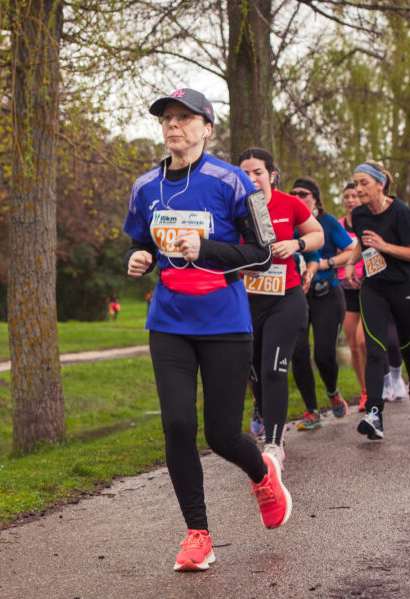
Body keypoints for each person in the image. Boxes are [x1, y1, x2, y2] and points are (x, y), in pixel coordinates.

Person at [123, 88, 290, 572]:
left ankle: (263, 475)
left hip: (224, 321)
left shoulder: (235, 182)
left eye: (184, 118)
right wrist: (140, 257)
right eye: (167, 119)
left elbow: (262, 252)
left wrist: (208, 248)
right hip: (170, 322)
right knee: (177, 424)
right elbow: (142, 241)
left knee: (221, 435)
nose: (173, 125)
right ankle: (198, 534)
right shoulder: (144, 186)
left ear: (207, 127)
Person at [238, 148, 324, 463]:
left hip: (285, 299)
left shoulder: (290, 204)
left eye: (257, 172)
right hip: (245, 303)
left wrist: (296, 244)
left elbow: (318, 235)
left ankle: (273, 444)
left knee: (274, 368)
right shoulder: (233, 208)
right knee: (254, 371)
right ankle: (263, 408)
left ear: (271, 174)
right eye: (245, 173)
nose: (251, 179)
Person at [339, 160, 410, 439]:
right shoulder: (360, 214)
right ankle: (374, 414)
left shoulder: (400, 211)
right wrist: (352, 263)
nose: (358, 188)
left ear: (381, 184)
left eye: (364, 183)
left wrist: (384, 246)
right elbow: (361, 244)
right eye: (355, 183)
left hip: (404, 285)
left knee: (409, 347)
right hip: (374, 286)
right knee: (373, 349)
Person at [289, 176, 356, 430]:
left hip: (328, 294)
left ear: (315, 197)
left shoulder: (326, 223)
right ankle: (311, 411)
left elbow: (351, 250)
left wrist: (328, 263)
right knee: (299, 353)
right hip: (296, 294)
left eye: (304, 193)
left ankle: (332, 391)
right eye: (293, 193)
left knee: (324, 354)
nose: (298, 197)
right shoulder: (288, 221)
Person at [337, 183, 368, 410]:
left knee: (363, 341)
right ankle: (365, 390)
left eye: (355, 196)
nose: (351, 200)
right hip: (346, 288)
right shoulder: (338, 226)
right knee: (354, 347)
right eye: (347, 196)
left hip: (368, 287)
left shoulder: (369, 222)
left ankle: (380, 380)